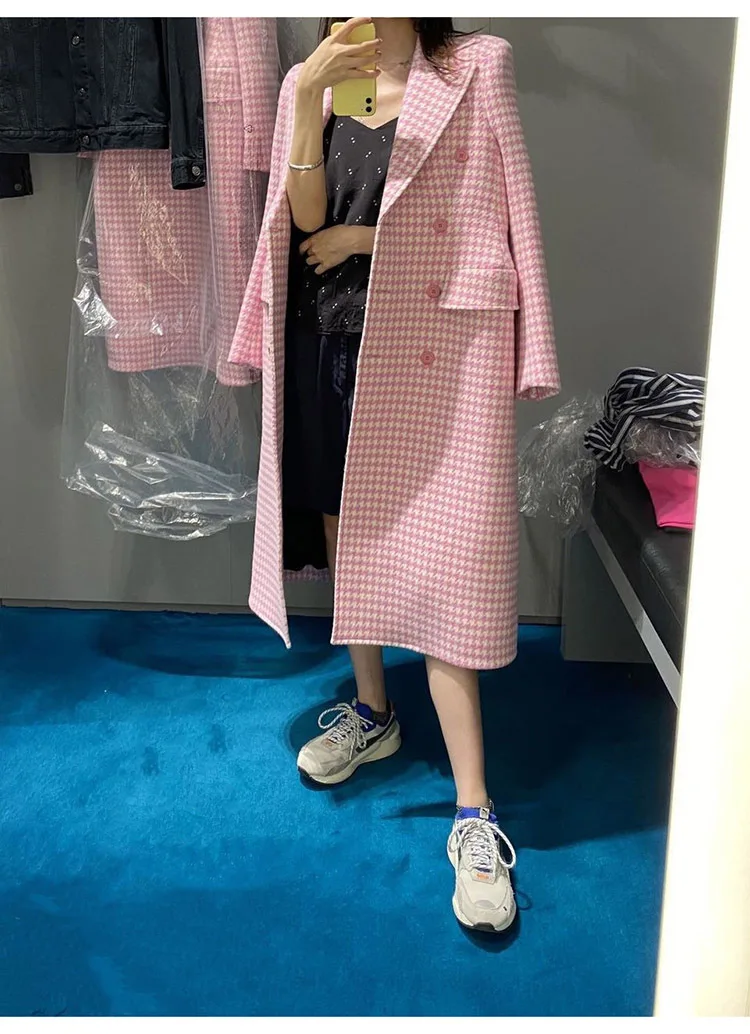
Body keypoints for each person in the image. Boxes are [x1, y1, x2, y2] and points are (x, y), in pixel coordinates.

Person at [228, 17, 560, 933]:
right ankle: (374, 712)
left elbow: (501, 214)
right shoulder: (314, 77)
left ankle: (474, 812)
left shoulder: (477, 64)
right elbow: (302, 221)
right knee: (346, 529)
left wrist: (364, 241)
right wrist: (305, 95)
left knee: (451, 562)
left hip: (436, 346)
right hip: (327, 342)